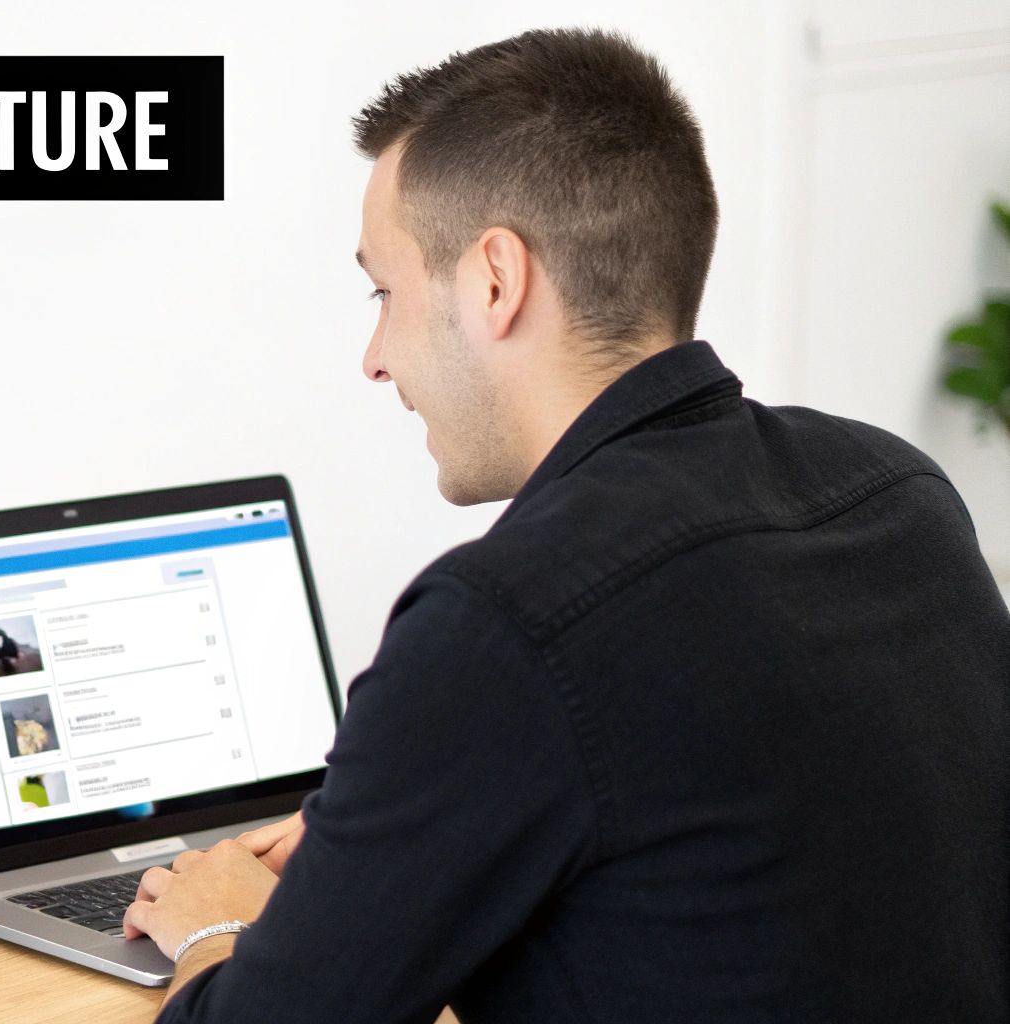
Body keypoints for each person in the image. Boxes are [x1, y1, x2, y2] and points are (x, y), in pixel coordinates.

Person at [121, 27, 1009, 1023]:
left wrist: (215, 923)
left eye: (385, 291)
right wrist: (388, 837)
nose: (374, 357)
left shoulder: (505, 620)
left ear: (494, 281)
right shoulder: (896, 491)